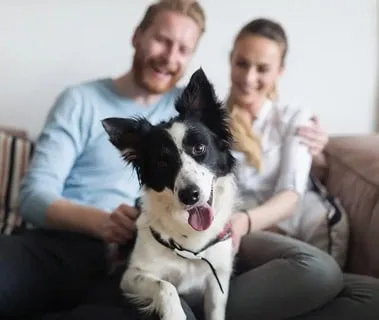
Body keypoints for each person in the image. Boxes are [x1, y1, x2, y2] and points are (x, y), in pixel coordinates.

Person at [0, 2, 334, 320]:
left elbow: (232, 144)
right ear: (137, 36)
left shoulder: (187, 113)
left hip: (146, 259)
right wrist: (101, 222)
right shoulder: (80, 100)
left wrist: (317, 152)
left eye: (183, 49)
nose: (169, 57)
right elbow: (31, 196)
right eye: (162, 40)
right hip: (62, 244)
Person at [225, 17, 379, 319]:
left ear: (279, 72)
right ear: (230, 60)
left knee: (373, 295)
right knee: (318, 272)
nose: (249, 77)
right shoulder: (209, 122)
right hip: (242, 238)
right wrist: (240, 224)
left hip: (274, 232)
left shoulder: (294, 118)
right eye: (242, 63)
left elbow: (290, 195)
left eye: (263, 68)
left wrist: (245, 220)